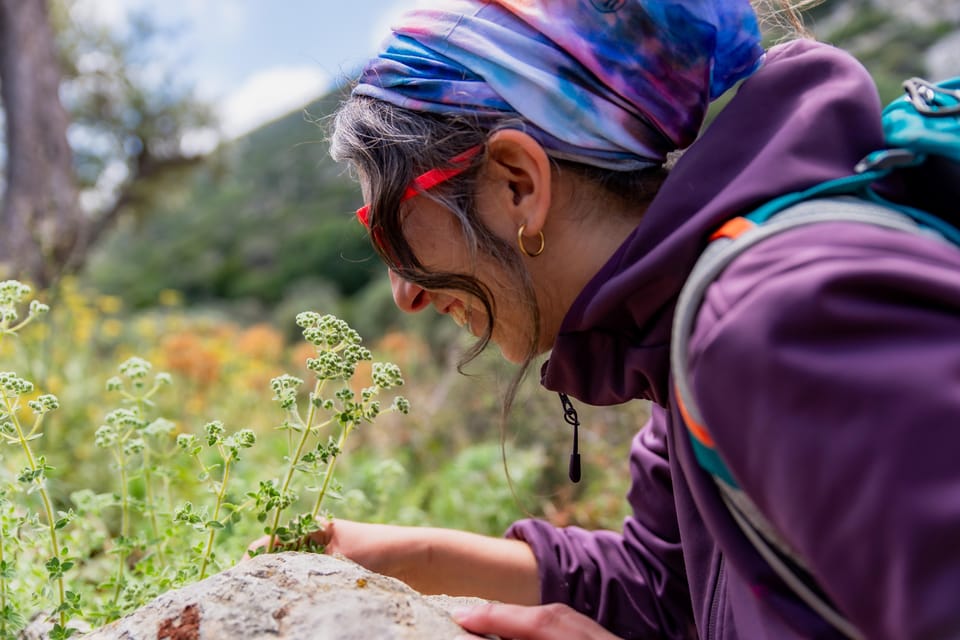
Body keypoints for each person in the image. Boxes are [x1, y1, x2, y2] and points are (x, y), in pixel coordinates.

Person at [249, 1, 960, 638]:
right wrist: (411, 558)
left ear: (517, 183)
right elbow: (668, 587)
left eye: (394, 226)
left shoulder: (779, 325)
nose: (404, 290)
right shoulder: (679, 339)